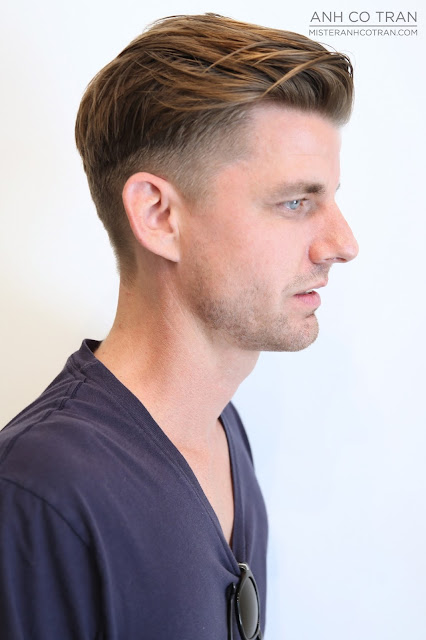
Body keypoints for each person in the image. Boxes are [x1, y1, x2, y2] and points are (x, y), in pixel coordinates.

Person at [0, 13, 358, 640]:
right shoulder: (40, 492)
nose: (342, 243)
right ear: (159, 215)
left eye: (330, 198)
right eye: (296, 202)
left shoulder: (222, 430)